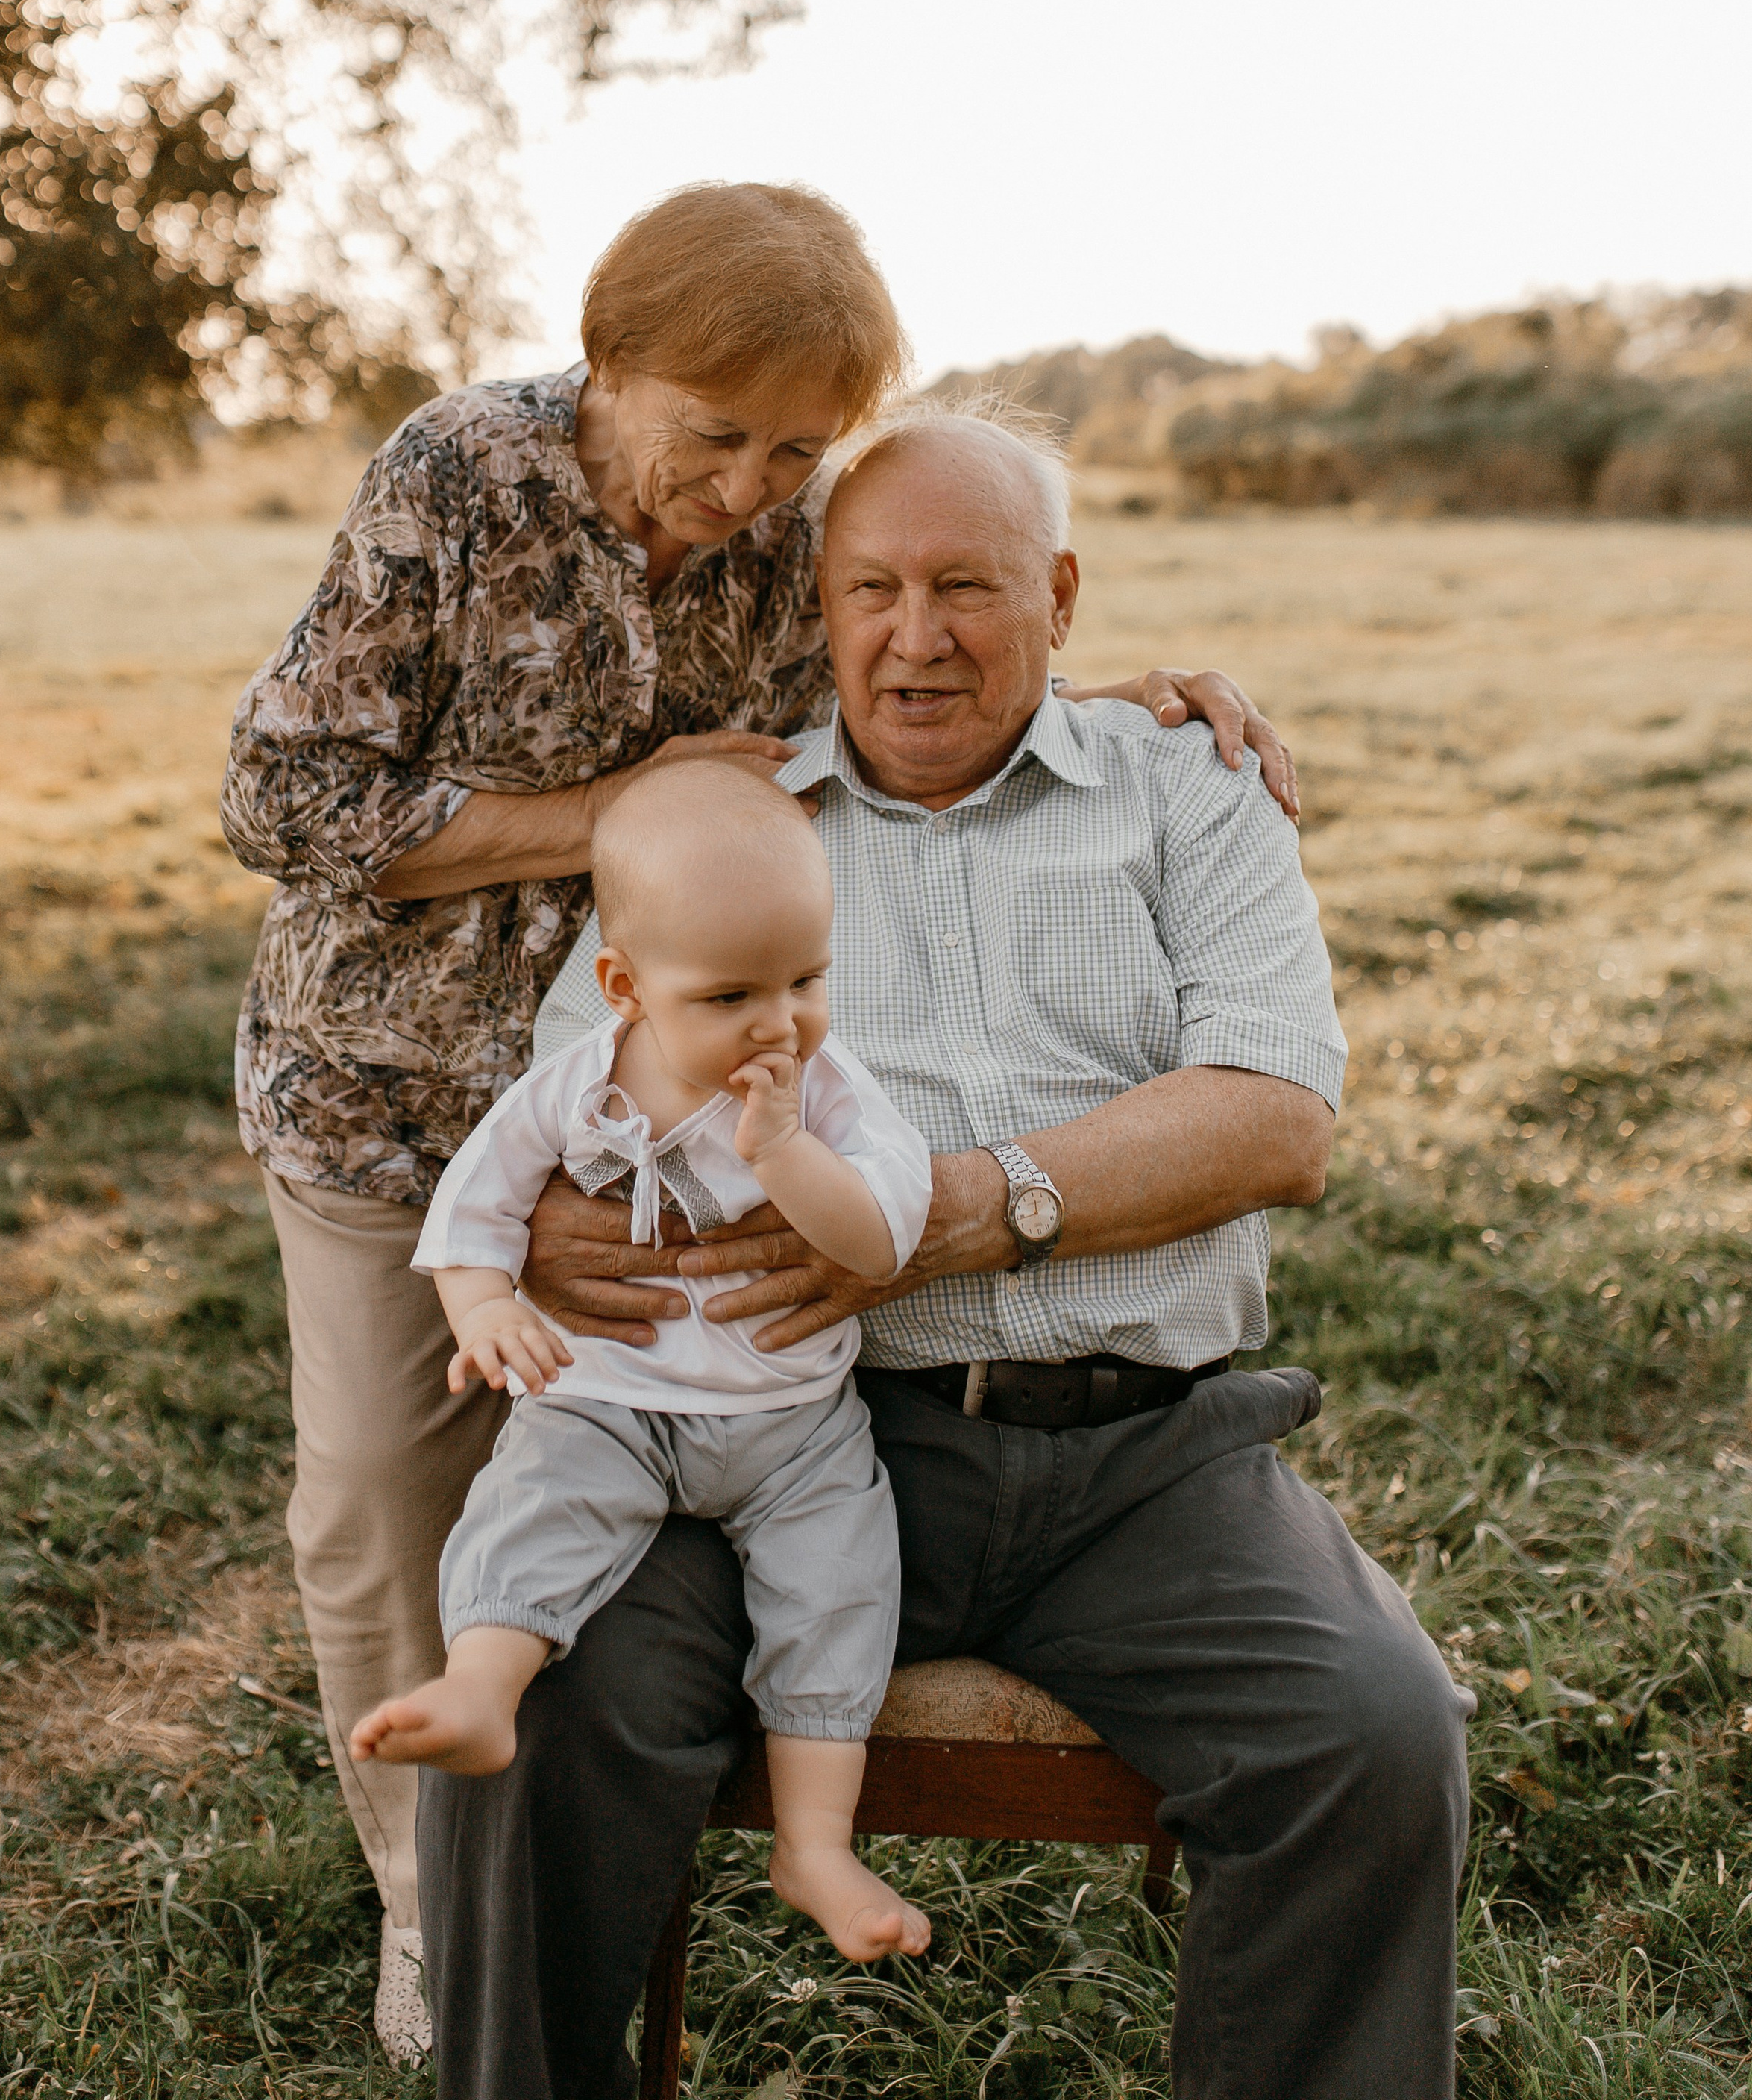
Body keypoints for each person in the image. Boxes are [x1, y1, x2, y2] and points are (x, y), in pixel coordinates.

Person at [218, 178, 1300, 2063]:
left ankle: (574, 1836)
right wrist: (622, 808)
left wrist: (1110, 694)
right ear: (607, 364)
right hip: (405, 1097)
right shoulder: (463, 474)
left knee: (615, 1465)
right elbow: (283, 797)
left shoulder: (791, 519)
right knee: (403, 1493)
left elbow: (907, 658)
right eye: (712, 435)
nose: (745, 487)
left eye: (791, 447)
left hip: (699, 1088)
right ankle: (430, 1905)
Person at [415, 405, 1475, 2100]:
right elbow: (573, 1111)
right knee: (544, 1702)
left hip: (1143, 1452)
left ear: (1059, 595)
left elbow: (1277, 1115)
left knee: (1371, 1739)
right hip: (791, 1442)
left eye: (968, 586)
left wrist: (952, 1215)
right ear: (819, 608)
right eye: (872, 589)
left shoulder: (1186, 788)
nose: (916, 637)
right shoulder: (720, 827)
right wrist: (535, 1237)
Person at [347, 757, 935, 1965]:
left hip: (793, 1430)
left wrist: (786, 1157)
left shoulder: (822, 1096)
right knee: (535, 1504)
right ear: (625, 987)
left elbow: (878, 1238)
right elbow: (475, 1212)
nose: (779, 1024)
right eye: (731, 996)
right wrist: (483, 1310)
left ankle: (814, 1841)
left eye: (807, 982)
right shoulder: (572, 1089)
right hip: (612, 1402)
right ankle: (482, 1689)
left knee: (838, 1589)